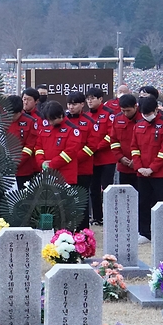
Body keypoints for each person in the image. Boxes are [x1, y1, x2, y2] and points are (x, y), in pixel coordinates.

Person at [131, 95, 163, 240]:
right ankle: (144, 232)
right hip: (142, 172)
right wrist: (139, 167)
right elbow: (134, 148)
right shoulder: (138, 125)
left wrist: (152, 168)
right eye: (144, 114)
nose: (146, 116)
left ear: (156, 110)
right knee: (143, 202)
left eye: (149, 113)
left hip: (160, 173)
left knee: (161, 202)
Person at [65, 91, 98, 227]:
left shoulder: (90, 122)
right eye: (69, 104)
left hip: (82, 169)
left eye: (74, 104)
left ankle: (83, 231)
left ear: (82, 104)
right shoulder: (63, 120)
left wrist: (74, 159)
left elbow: (92, 146)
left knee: (82, 201)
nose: (71, 107)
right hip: (65, 169)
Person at [86, 88, 116, 225]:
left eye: (92, 98)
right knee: (93, 189)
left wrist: (97, 147)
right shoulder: (86, 116)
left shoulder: (109, 114)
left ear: (100, 99)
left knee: (107, 188)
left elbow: (111, 135)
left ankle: (110, 216)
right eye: (88, 98)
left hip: (107, 158)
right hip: (92, 159)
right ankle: (97, 217)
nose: (89, 101)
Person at [35, 101, 82, 186]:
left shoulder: (72, 130)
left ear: (60, 115)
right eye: (48, 120)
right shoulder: (45, 128)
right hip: (47, 175)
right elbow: (38, 147)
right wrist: (41, 162)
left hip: (65, 177)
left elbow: (70, 152)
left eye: (52, 120)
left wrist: (51, 165)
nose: (50, 123)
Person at [8, 94, 39, 190]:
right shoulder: (0, 120)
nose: (12, 117)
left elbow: (30, 146)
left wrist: (16, 162)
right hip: (3, 169)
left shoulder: (30, 122)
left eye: (15, 114)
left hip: (23, 170)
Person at [110, 94, 140, 189]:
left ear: (135, 106)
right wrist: (120, 157)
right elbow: (114, 141)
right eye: (123, 111)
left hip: (141, 167)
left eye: (128, 111)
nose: (126, 114)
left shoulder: (143, 119)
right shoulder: (117, 119)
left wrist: (137, 161)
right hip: (124, 166)